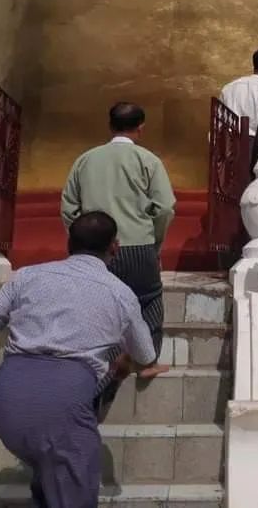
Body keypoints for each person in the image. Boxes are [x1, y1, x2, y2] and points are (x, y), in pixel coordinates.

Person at [0, 212, 162, 508]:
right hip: (62, 408)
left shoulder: (28, 276)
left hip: (7, 405)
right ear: (115, 248)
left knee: (49, 469)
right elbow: (146, 356)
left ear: (69, 243)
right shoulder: (121, 294)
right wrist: (123, 366)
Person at [61, 102, 175, 405]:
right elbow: (165, 207)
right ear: (141, 127)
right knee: (148, 300)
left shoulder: (85, 160)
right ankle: (146, 362)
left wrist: (83, 240)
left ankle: (100, 370)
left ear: (110, 126)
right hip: (138, 245)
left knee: (98, 309)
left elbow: (68, 208)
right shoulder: (147, 160)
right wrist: (155, 243)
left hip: (95, 250)